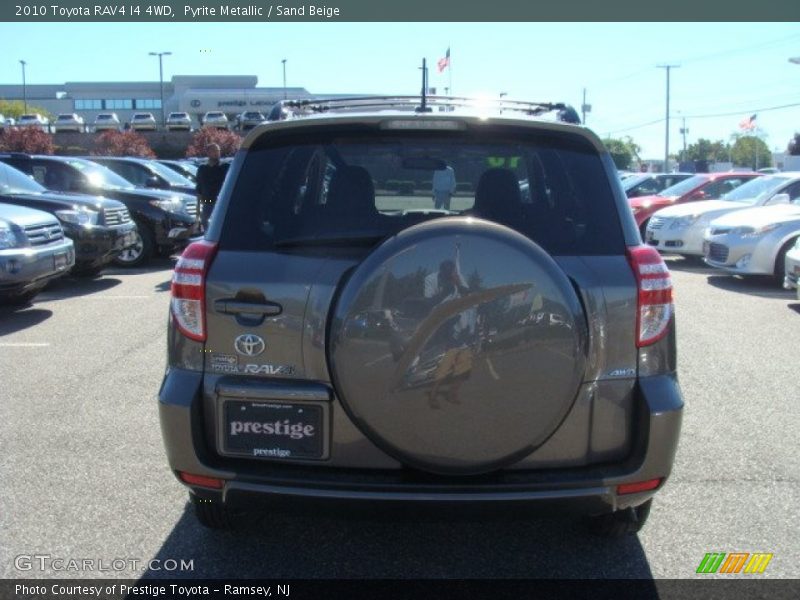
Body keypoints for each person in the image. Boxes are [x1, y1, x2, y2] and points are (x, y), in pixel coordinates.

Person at [195, 143, 229, 229]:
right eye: (214, 151)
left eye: (218, 151)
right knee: (205, 221)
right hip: (208, 200)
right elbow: (199, 188)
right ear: (208, 153)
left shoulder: (225, 167)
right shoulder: (202, 168)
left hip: (222, 201)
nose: (217, 153)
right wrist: (198, 211)